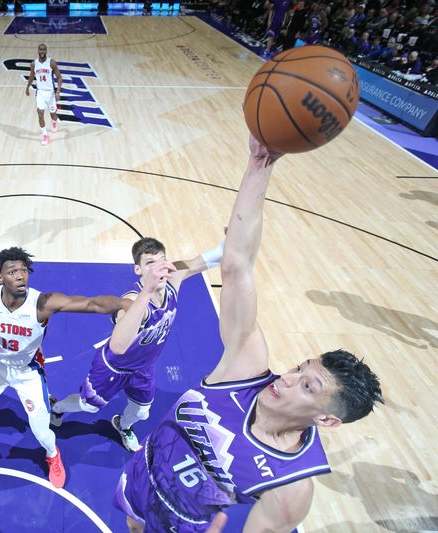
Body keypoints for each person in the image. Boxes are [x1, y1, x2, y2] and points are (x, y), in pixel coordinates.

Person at [113, 138, 383, 533]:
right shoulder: (247, 366)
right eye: (299, 368)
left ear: (326, 419)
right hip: (144, 469)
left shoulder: (290, 490)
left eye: (307, 386)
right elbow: (237, 265)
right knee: (132, 522)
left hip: (182, 522)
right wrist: (261, 161)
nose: (286, 377)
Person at [0, 247, 132, 488]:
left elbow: (91, 304)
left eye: (24, 270)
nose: (21, 275)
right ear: (0, 278)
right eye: (13, 271)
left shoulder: (41, 303)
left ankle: (53, 455)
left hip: (27, 372)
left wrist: (127, 303)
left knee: (42, 431)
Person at [50, 235, 226, 452]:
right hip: (113, 368)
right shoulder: (132, 302)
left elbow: (213, 255)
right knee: (89, 407)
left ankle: (122, 426)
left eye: (161, 261)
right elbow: (118, 346)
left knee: (142, 412)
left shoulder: (173, 279)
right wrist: (146, 293)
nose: (157, 269)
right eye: (149, 263)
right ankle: (57, 407)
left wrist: (234, 240)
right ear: (138, 270)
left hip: (143, 368)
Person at [25, 43, 63, 146]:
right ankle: (45, 135)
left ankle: (54, 121)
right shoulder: (34, 64)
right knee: (40, 112)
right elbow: (32, 76)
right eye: (40, 49)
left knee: (53, 114)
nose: (42, 51)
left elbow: (59, 77)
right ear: (38, 51)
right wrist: (28, 87)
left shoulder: (52, 63)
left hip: (50, 93)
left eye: (44, 50)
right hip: (40, 92)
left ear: (46, 51)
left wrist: (58, 92)